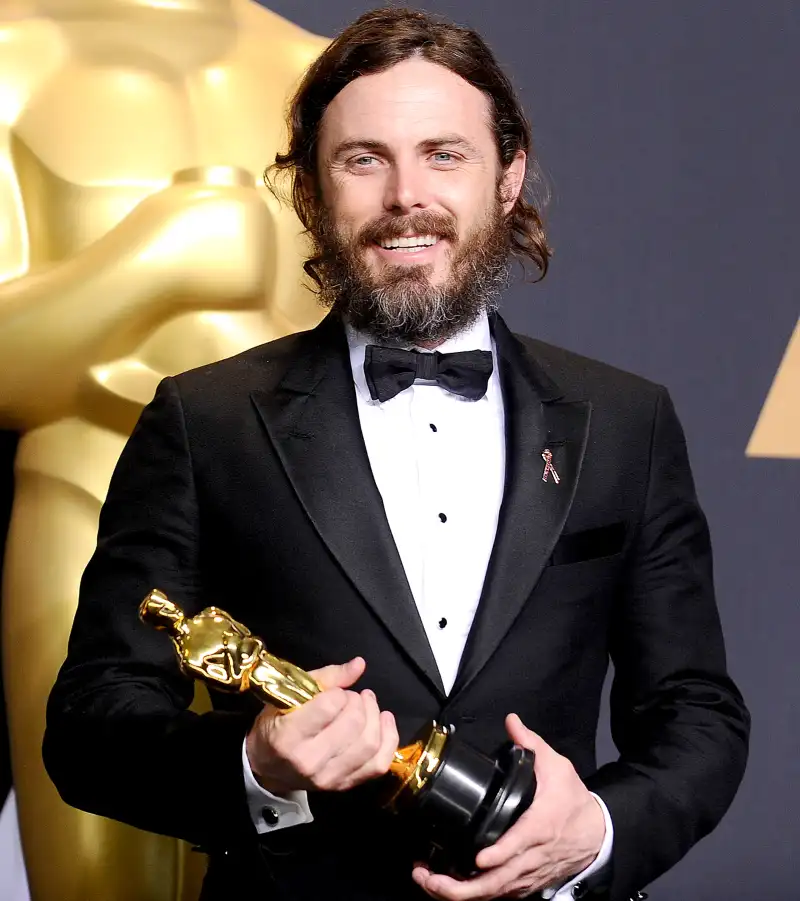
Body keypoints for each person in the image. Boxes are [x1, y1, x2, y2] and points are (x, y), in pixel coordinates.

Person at [43, 8, 750, 901]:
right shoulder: (203, 419)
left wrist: (596, 832)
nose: (405, 195)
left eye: (444, 154)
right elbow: (89, 726)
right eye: (362, 158)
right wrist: (256, 767)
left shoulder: (625, 421)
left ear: (508, 177)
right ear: (310, 191)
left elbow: (697, 713)